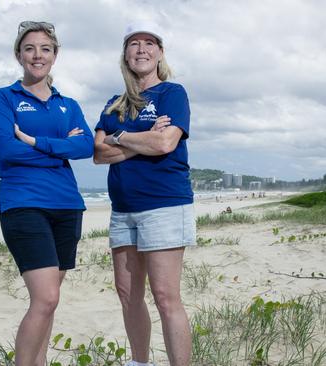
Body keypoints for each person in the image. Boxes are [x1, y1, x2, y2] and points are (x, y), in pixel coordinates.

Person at [0, 21, 93, 366]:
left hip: (67, 205)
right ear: (19, 54)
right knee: (44, 299)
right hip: (23, 203)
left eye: (45, 48)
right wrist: (61, 147)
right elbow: (6, 149)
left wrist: (33, 141)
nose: (37, 55)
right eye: (29, 48)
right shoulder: (3, 98)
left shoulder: (68, 103)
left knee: (51, 300)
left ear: (55, 55)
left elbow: (86, 146)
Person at [93, 22, 195, 366]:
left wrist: (119, 137)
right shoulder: (114, 103)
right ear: (125, 54)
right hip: (122, 210)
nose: (141, 49)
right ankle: (140, 363)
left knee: (166, 297)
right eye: (134, 44)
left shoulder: (172, 94)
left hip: (164, 205)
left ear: (160, 53)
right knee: (128, 295)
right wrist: (140, 138)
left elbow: (165, 142)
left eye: (149, 44)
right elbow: (98, 154)